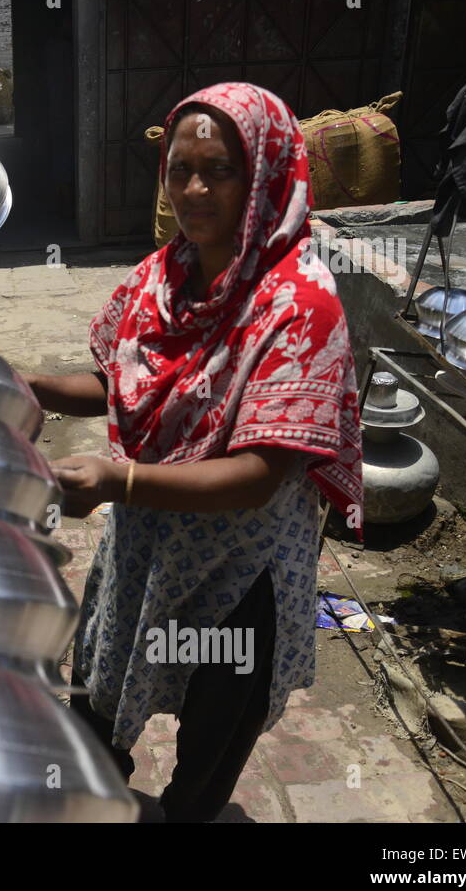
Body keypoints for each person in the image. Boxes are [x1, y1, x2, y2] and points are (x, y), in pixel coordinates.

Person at [22, 83, 364, 822]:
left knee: (208, 742)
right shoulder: (161, 279)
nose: (195, 190)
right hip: (146, 545)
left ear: (267, 174)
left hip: (238, 570)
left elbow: (260, 475)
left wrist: (120, 478)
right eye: (181, 169)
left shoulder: (300, 305)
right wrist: (31, 386)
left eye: (221, 170)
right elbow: (118, 383)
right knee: (98, 704)